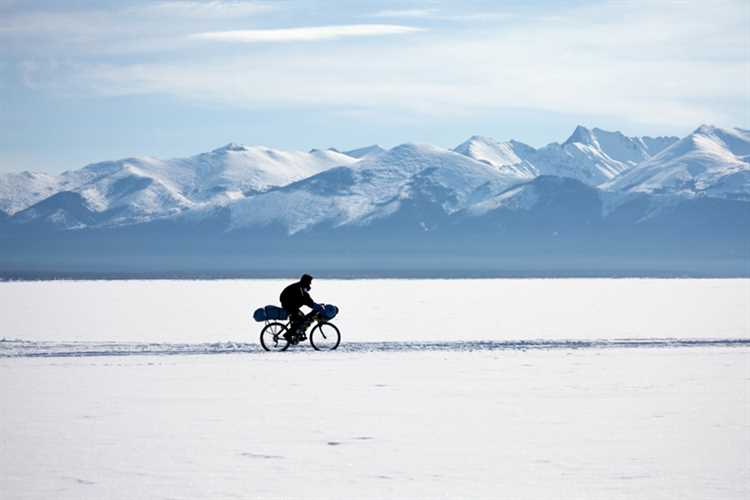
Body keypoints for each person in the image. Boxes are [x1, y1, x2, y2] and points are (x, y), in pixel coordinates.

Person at [280, 274, 322, 341]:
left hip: (292, 305)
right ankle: (288, 335)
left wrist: (315, 305)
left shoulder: (301, 287)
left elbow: (307, 298)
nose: (310, 284)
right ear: (306, 281)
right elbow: (305, 300)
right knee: (300, 320)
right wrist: (315, 306)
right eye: (309, 282)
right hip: (289, 305)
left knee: (301, 318)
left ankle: (297, 334)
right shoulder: (299, 288)